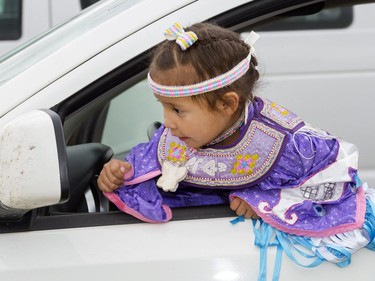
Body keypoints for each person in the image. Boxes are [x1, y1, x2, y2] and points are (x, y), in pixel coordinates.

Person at [98, 22, 375, 275]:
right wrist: (119, 174)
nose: (167, 122)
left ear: (227, 104)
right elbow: (145, 166)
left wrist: (265, 200)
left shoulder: (284, 142)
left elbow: (336, 176)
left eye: (177, 110)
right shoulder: (178, 134)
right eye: (163, 107)